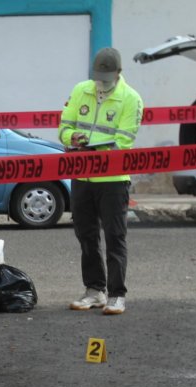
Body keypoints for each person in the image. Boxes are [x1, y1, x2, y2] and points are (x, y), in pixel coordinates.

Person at [59, 47, 144, 315]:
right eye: (98, 76)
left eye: (106, 77)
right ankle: (94, 290)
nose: (101, 82)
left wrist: (92, 147)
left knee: (115, 236)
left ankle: (117, 294)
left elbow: (124, 140)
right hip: (82, 176)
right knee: (86, 235)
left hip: (113, 179)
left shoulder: (131, 99)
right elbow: (64, 126)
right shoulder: (81, 90)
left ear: (118, 73)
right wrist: (72, 138)